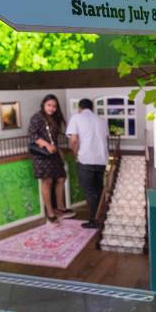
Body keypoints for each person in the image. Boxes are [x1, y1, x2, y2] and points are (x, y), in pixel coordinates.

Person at [29, 94, 76, 224]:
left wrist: (59, 150)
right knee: (47, 181)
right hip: (42, 155)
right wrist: (47, 145)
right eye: (49, 105)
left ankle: (60, 208)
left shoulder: (54, 118)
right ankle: (50, 212)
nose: (51, 108)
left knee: (61, 178)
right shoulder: (37, 117)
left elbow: (54, 138)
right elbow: (32, 136)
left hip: (54, 153)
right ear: (43, 104)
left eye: (54, 106)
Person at [66, 98, 109, 229]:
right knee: (99, 189)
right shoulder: (102, 120)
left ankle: (94, 221)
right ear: (92, 108)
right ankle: (102, 216)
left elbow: (73, 140)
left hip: (86, 159)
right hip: (101, 160)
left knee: (90, 191)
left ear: (79, 108)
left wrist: (75, 155)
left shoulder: (76, 118)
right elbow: (105, 138)